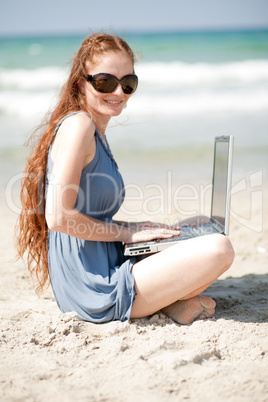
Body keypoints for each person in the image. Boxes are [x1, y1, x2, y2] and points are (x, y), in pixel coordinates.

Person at [16, 33, 235, 325]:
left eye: (128, 83)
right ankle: (162, 302)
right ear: (81, 81)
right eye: (105, 81)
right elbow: (58, 217)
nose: (118, 92)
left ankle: (168, 303)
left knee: (199, 224)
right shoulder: (79, 125)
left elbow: (87, 214)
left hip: (108, 259)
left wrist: (136, 228)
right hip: (93, 286)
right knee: (220, 248)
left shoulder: (96, 131)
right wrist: (128, 235)